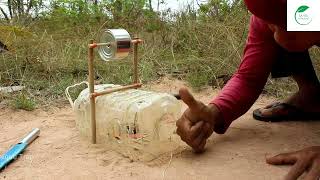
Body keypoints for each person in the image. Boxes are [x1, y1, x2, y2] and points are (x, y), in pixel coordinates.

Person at [176, 0, 320, 179]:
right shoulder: (265, 15)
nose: (272, 30)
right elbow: (248, 79)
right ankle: (311, 96)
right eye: (269, 20)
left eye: (282, 20)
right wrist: (213, 112)